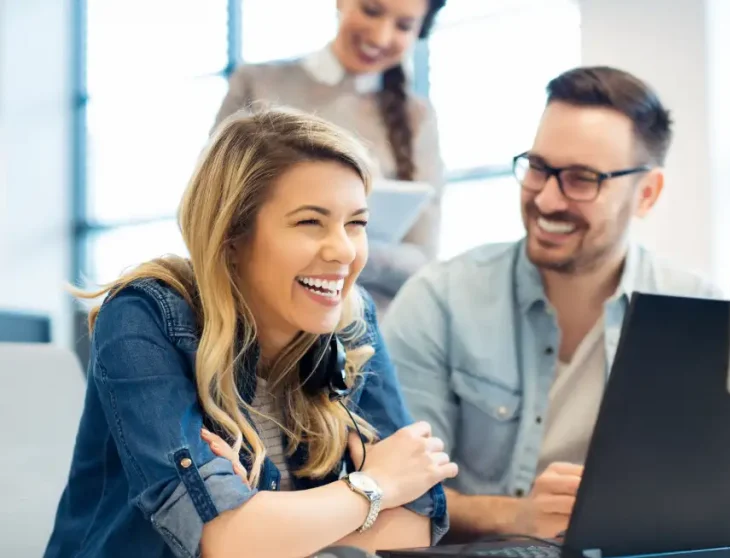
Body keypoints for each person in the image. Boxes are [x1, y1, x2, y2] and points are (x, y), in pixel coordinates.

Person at [44, 107, 457, 558]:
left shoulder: (351, 323)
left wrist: (263, 522)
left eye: (355, 223)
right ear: (232, 236)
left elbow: (417, 522)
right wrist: (375, 486)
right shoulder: (143, 317)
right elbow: (222, 540)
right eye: (309, 222)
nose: (344, 249)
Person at [381, 66, 721, 540]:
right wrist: (516, 517)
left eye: (582, 179)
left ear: (646, 194)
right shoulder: (439, 300)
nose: (546, 198)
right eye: (539, 168)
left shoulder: (701, 314)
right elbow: (397, 491)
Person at [214, 0, 447, 310]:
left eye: (403, 26)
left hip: (367, 330)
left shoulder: (418, 118)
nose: (380, 36)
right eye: (371, 11)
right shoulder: (257, 85)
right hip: (258, 314)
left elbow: (423, 259)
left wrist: (334, 248)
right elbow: (212, 209)